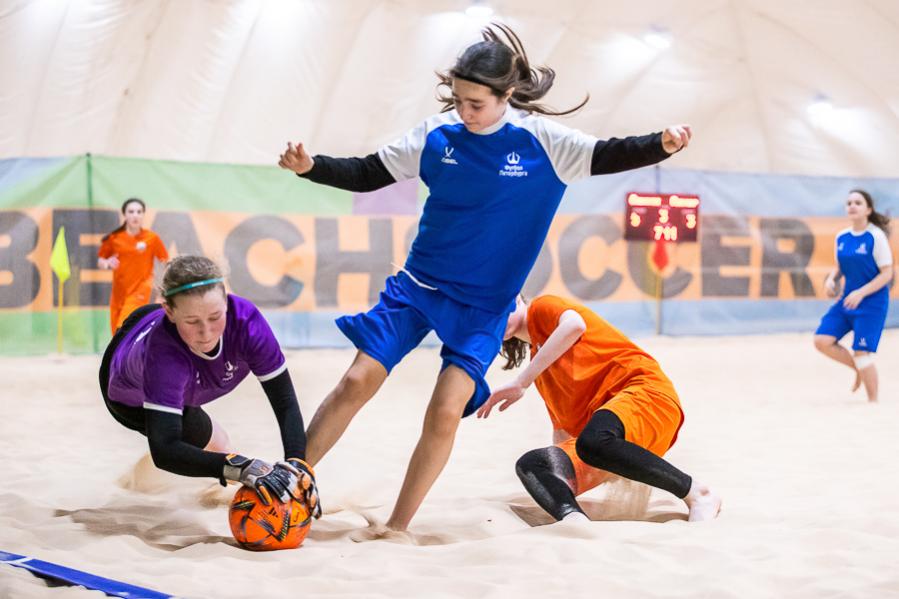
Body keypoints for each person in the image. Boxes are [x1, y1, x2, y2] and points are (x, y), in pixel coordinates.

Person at [277, 23, 692, 532]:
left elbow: (610, 153)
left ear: (507, 95)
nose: (465, 112)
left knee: (445, 409)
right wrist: (311, 166)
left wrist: (661, 144)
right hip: (418, 288)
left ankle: (396, 527)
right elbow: (368, 172)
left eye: (475, 103)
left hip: (483, 308)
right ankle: (288, 484)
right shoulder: (436, 134)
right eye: (458, 100)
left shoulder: (545, 143)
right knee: (355, 380)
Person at [99, 255, 320, 513]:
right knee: (215, 446)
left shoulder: (246, 322)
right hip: (128, 396)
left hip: (150, 325)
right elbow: (165, 451)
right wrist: (243, 467)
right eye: (193, 322)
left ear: (226, 301)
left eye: (215, 317)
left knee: (220, 447)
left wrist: (297, 465)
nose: (206, 333)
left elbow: (285, 402)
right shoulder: (163, 355)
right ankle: (139, 482)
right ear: (169, 312)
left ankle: (157, 473)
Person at [477, 294, 721, 523]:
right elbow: (562, 433)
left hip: (647, 395)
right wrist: (562, 477)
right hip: (611, 438)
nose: (496, 317)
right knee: (532, 463)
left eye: (501, 308)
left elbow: (574, 325)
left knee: (592, 441)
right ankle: (574, 519)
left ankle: (698, 493)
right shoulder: (541, 368)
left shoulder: (541, 307)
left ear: (517, 299)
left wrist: (522, 382)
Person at [814, 189, 893, 402]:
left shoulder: (875, 236)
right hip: (848, 300)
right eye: (849, 203)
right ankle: (858, 370)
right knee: (821, 340)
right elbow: (839, 266)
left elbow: (887, 274)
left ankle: (873, 403)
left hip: (872, 303)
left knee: (861, 353)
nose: (852, 206)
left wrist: (861, 292)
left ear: (868, 210)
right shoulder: (842, 236)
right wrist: (831, 279)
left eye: (858, 202)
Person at [97, 198, 169, 334]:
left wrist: (167, 284)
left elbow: (165, 261)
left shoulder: (151, 238)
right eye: (131, 212)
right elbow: (101, 260)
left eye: (139, 212)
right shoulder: (114, 238)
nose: (135, 215)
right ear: (124, 215)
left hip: (140, 291)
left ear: (143, 215)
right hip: (118, 292)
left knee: (124, 326)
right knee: (116, 331)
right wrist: (107, 263)